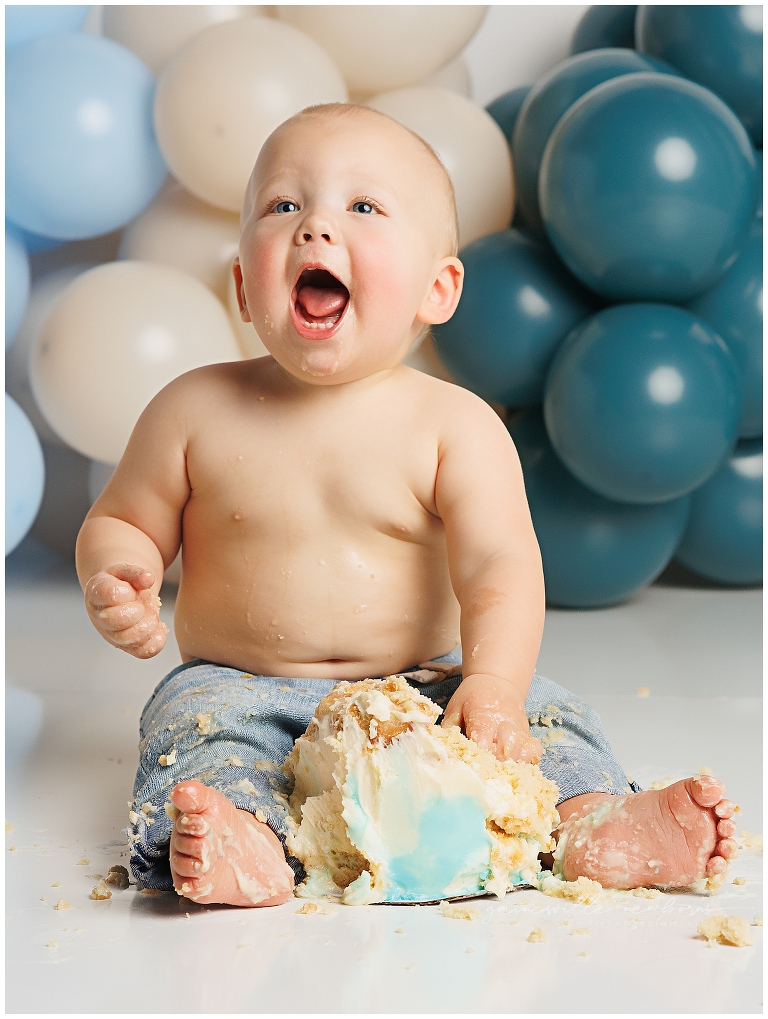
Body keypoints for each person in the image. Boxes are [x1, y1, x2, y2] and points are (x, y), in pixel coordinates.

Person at [75, 104, 737, 908]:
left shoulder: (454, 425)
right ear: (244, 286)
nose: (315, 228)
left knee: (548, 718)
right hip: (242, 681)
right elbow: (123, 518)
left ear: (438, 287)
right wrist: (121, 570)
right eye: (284, 205)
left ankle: (592, 819)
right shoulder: (192, 411)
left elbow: (500, 564)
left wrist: (491, 685)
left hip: (427, 686)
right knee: (196, 730)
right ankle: (244, 836)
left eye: (362, 207)